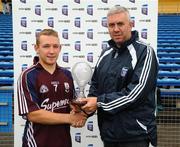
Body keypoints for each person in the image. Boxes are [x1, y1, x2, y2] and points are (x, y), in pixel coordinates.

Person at [80, 5, 159, 147]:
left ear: (131, 25)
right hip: (109, 135)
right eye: (111, 25)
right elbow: (95, 86)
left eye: (120, 24)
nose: (115, 29)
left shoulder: (145, 52)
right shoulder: (105, 54)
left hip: (136, 136)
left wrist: (98, 102)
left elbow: (135, 94)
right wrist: (86, 107)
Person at [17, 29, 87, 147]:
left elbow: (71, 105)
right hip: (37, 142)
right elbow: (33, 114)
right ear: (36, 48)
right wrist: (70, 118)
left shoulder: (67, 75)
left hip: (64, 141)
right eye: (46, 46)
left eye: (55, 46)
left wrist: (79, 113)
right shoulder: (28, 75)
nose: (51, 51)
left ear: (60, 48)